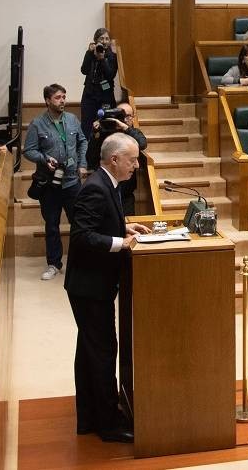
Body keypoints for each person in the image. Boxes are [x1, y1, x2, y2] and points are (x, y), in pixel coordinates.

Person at [65, 132, 151, 443]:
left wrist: (122, 226)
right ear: (114, 160)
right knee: (102, 352)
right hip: (90, 286)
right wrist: (120, 242)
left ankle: (88, 417)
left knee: (89, 352)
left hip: (92, 284)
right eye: (132, 160)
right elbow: (81, 236)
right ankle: (108, 424)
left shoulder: (108, 183)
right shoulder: (96, 189)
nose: (137, 165)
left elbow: (98, 223)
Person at [24, 83, 88, 281]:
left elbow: (82, 141)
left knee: (78, 222)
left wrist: (82, 163)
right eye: (58, 97)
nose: (63, 101)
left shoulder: (72, 119)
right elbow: (29, 151)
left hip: (71, 182)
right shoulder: (37, 124)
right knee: (52, 225)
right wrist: (44, 159)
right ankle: (53, 264)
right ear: (48, 100)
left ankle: (81, 262)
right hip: (50, 184)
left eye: (64, 97)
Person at [80, 28, 123, 132]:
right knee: (87, 125)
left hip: (105, 95)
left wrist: (102, 59)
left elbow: (110, 75)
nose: (104, 41)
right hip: (89, 95)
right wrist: (89, 53)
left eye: (107, 39)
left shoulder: (112, 56)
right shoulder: (90, 54)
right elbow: (84, 70)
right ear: (95, 40)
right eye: (101, 38)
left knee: (105, 124)